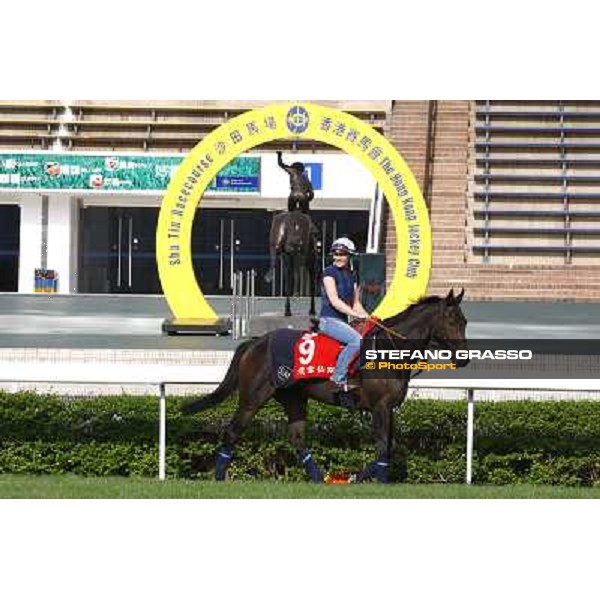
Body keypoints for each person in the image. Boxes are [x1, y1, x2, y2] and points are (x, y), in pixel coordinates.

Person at [318, 237, 369, 390]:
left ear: (350, 256)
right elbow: (334, 301)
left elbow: (356, 303)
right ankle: (338, 378)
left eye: (343, 254)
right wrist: (354, 314)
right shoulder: (328, 272)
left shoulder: (352, 275)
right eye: (336, 253)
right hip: (328, 320)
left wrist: (369, 317)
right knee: (357, 341)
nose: (338, 257)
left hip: (343, 321)